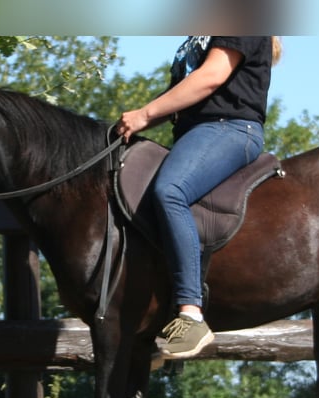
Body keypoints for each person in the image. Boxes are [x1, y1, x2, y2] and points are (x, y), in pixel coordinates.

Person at [116, 36, 281, 359]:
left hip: (230, 129)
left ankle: (191, 314)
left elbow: (211, 76)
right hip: (196, 133)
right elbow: (184, 93)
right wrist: (132, 123)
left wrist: (145, 114)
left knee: (171, 191)